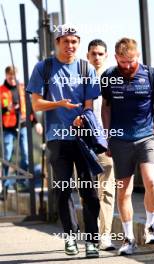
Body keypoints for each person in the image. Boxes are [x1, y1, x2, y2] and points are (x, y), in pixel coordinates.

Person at [27, 24, 100, 258]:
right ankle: (70, 237)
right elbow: (36, 104)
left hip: (83, 138)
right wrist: (58, 104)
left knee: (90, 192)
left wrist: (81, 117)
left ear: (79, 43)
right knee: (63, 190)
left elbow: (89, 106)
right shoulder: (44, 68)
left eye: (74, 41)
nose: (70, 46)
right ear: (57, 42)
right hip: (57, 139)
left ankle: (91, 241)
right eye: (66, 41)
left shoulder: (85, 68)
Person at [101, 37, 154, 255]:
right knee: (123, 191)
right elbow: (105, 107)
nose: (127, 66)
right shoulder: (108, 77)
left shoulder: (151, 74)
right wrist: (107, 136)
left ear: (138, 57)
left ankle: (149, 227)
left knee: (152, 180)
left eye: (131, 62)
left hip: (147, 136)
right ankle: (128, 239)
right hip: (119, 139)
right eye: (123, 63)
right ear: (116, 58)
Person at [87, 39, 115, 250]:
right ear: (88, 56)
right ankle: (93, 231)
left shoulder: (113, 80)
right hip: (85, 141)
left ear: (106, 56)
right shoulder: (80, 80)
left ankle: (105, 235)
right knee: (90, 189)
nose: (97, 57)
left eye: (100, 54)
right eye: (93, 53)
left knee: (107, 188)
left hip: (106, 141)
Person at [0, 66, 42, 198]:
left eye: (14, 77)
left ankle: (20, 181)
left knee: (26, 154)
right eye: (9, 77)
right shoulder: (1, 91)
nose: (12, 80)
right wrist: (7, 108)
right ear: (6, 76)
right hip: (7, 127)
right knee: (7, 155)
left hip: (23, 125)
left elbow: (30, 106)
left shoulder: (23, 88)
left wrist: (36, 123)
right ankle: (5, 187)